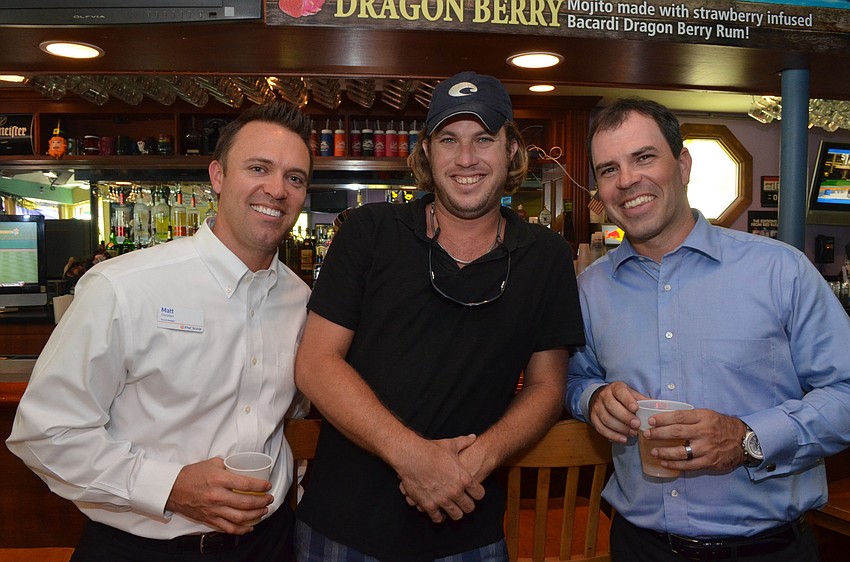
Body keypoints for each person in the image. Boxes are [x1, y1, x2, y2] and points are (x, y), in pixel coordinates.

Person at [292, 71, 585, 562]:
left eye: (483, 139)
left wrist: (469, 466)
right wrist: (416, 458)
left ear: (511, 149)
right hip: (342, 528)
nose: (466, 159)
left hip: (468, 527)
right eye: (448, 139)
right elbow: (316, 363)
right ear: (427, 151)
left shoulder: (547, 256)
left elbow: (546, 387)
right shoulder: (369, 231)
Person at [7, 101, 315, 562]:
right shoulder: (124, 285)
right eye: (258, 168)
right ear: (217, 176)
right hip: (141, 548)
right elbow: (45, 432)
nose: (276, 189)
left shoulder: (299, 298)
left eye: (295, 178)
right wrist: (169, 487)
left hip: (268, 544)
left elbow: (292, 408)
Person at [566, 97, 850, 562]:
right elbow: (576, 378)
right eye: (608, 169)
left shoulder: (780, 271)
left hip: (768, 549)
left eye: (644, 157)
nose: (627, 181)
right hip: (641, 547)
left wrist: (747, 438)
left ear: (682, 164)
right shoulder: (590, 289)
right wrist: (591, 398)